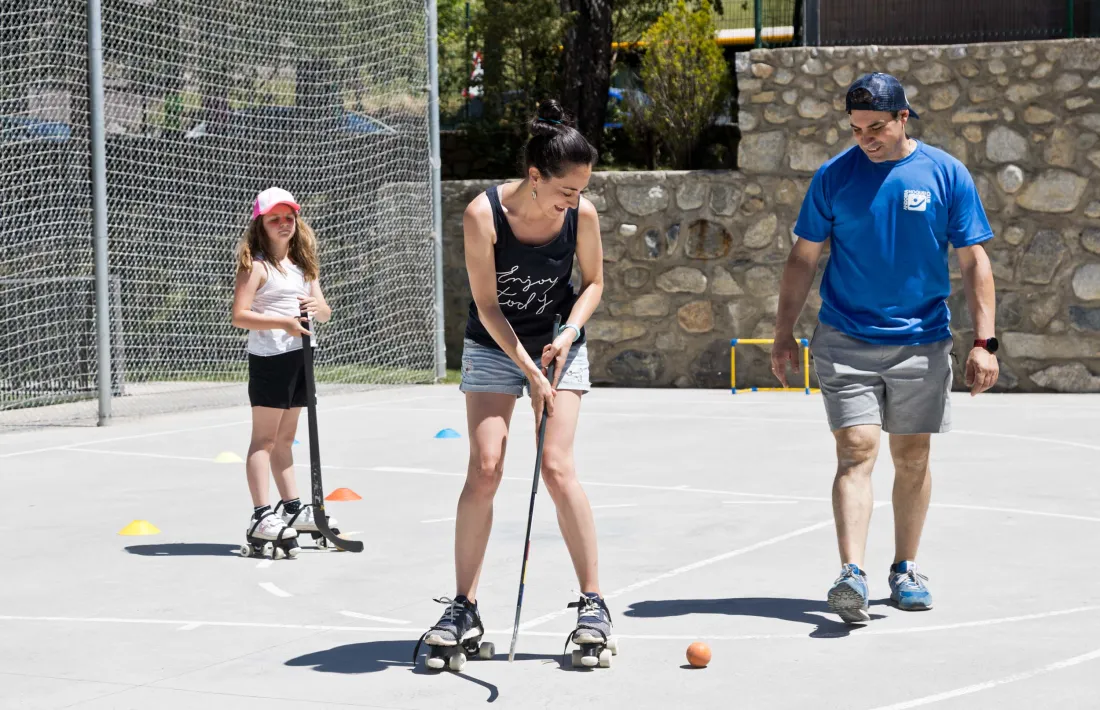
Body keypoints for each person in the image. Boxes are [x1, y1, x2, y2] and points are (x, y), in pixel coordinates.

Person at [771, 73, 999, 623]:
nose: (865, 138)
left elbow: (974, 262)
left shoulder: (946, 174)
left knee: (913, 457)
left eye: (876, 127)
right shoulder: (833, 177)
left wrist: (985, 341)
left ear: (903, 118)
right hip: (845, 338)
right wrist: (783, 334)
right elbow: (803, 259)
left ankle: (905, 568)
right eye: (855, 129)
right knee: (856, 448)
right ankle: (851, 573)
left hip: (922, 341)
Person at [415, 99, 610, 663]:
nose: (573, 201)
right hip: (497, 345)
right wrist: (527, 369)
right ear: (534, 177)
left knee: (556, 465)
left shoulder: (583, 216)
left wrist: (569, 333)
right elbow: (486, 304)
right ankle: (463, 606)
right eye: (566, 190)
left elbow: (594, 282)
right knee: (485, 467)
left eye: (580, 191)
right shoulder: (483, 215)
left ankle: (593, 602)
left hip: (558, 342)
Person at [230, 186, 336, 559]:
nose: (283, 223)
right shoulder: (255, 265)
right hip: (271, 357)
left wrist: (316, 306)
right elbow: (240, 315)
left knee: (287, 439)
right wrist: (284, 322)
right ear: (261, 223)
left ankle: (291, 507)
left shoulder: (303, 264)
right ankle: (261, 515)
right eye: (275, 218)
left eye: (288, 217)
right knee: (264, 440)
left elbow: (323, 311)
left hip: (300, 356)